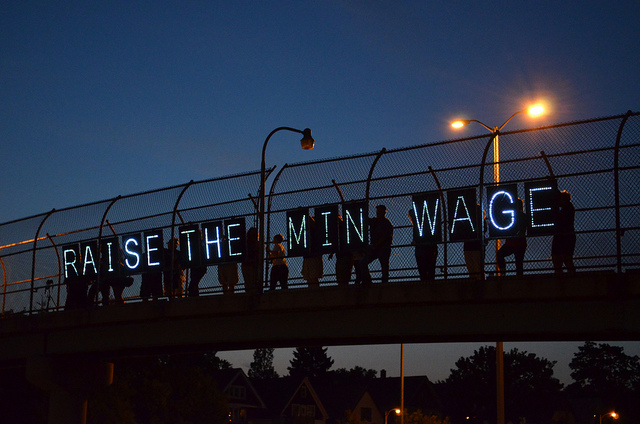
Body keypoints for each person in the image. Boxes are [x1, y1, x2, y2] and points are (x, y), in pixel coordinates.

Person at [358, 204, 393, 286]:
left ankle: (384, 283)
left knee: (384, 267)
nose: (378, 213)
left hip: (383, 248)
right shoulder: (375, 221)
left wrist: (376, 245)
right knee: (363, 262)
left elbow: (386, 236)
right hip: (376, 248)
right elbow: (366, 220)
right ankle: (367, 280)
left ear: (384, 212)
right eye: (377, 211)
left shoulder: (387, 223)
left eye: (379, 211)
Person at [496, 198, 528, 277]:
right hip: (519, 243)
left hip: (513, 243)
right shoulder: (521, 216)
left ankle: (503, 272)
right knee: (519, 262)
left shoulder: (512, 216)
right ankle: (519, 277)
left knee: (500, 254)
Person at [408, 208, 438, 282]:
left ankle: (427, 284)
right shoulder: (421, 224)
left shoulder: (419, 225)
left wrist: (417, 242)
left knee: (424, 270)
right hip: (427, 249)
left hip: (423, 250)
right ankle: (429, 284)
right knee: (429, 269)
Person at [552, 190, 576, 276]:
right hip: (565, 236)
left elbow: (560, 220)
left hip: (565, 237)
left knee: (565, 258)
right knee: (565, 259)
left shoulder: (568, 209)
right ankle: (568, 277)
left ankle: (566, 278)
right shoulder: (568, 208)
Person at [464, 204, 486, 281]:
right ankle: (477, 282)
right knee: (474, 268)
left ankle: (477, 283)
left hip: (473, 247)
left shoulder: (480, 222)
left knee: (474, 268)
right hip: (474, 247)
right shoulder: (479, 222)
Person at [301, 215, 323, 288]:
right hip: (308, 256)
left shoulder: (316, 231)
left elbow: (312, 223)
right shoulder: (307, 233)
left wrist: (305, 214)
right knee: (308, 277)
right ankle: (311, 289)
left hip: (314, 256)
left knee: (313, 276)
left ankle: (315, 291)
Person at [242, 226, 260, 295]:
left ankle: (252, 292)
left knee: (252, 280)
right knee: (249, 281)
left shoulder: (256, 243)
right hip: (248, 264)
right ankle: (250, 292)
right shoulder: (247, 243)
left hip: (251, 264)